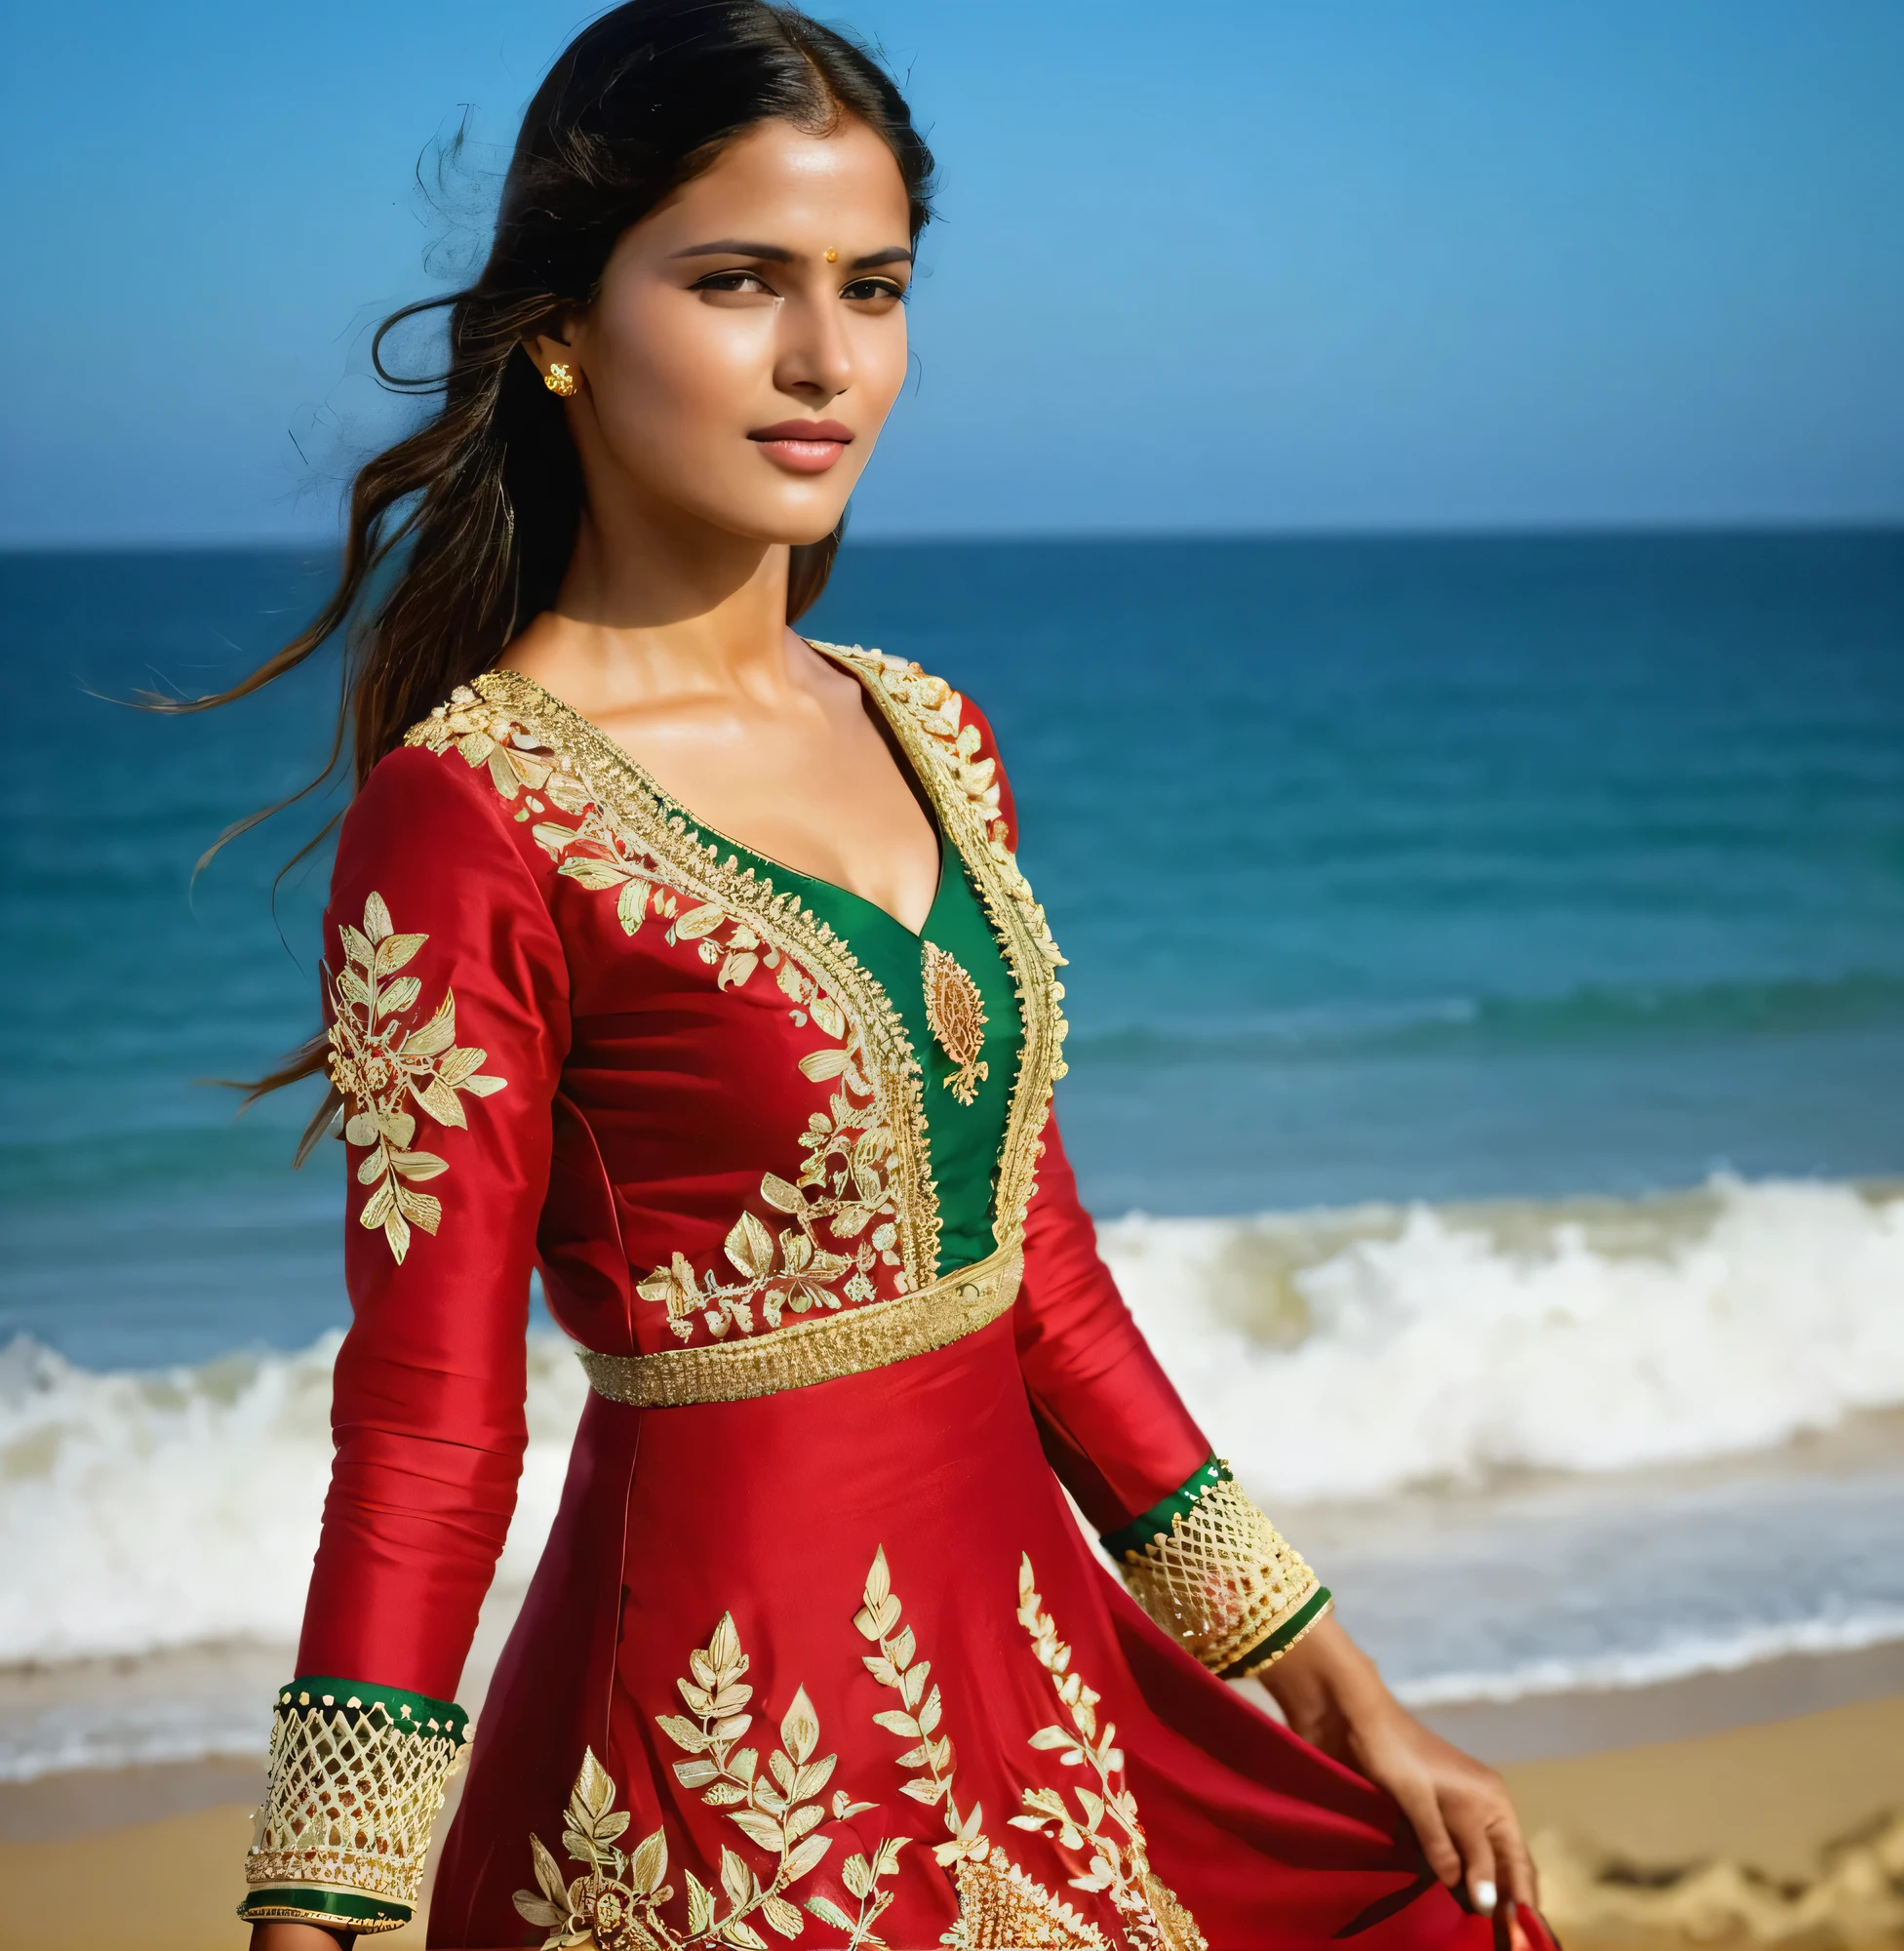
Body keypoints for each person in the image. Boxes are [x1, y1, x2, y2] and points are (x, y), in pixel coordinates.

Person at [209, 6, 1547, 1946]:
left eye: (874, 287)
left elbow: (1041, 1282)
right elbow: (431, 1409)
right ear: (566, 323)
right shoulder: (471, 815)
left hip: (1043, 1699)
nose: (825, 360)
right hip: (716, 1775)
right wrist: (322, 1883)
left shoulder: (931, 730)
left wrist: (1344, 1692)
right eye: (739, 283)